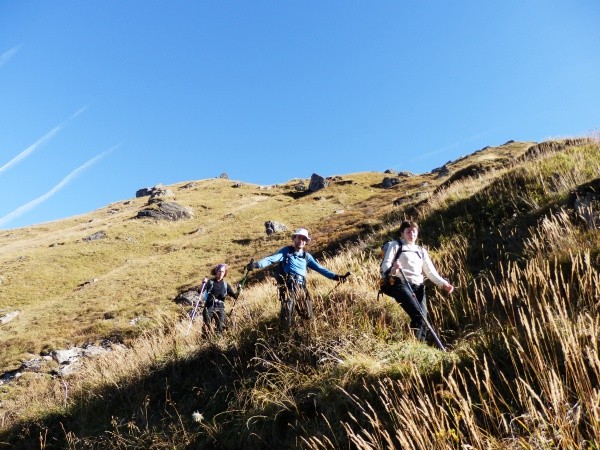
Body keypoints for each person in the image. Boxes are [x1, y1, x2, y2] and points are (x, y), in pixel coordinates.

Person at [247, 228, 349, 330]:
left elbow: (320, 268)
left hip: (301, 288)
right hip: (288, 287)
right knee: (286, 316)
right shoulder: (286, 251)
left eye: (304, 239)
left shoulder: (306, 256)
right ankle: (284, 336)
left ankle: (307, 334)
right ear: (294, 238)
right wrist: (256, 265)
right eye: (299, 238)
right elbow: (272, 259)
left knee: (308, 315)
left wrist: (336, 277)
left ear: (306, 241)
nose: (301, 241)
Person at [380, 220, 454, 342]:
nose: (412, 234)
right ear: (402, 233)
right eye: (408, 232)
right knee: (419, 316)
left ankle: (418, 344)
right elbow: (385, 265)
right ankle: (416, 344)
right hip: (400, 284)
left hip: (419, 287)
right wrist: (393, 269)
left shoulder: (421, 251)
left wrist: (443, 284)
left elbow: (430, 271)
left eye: (414, 231)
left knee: (422, 319)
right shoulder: (396, 245)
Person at [201, 263, 240, 334]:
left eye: (223, 271)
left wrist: (239, 290)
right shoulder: (210, 282)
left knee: (221, 326)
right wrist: (203, 283)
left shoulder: (226, 285)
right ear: (216, 271)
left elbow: (235, 296)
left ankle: (218, 338)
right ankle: (206, 339)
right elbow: (200, 291)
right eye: (219, 271)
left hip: (220, 307)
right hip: (209, 307)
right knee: (207, 327)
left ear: (225, 273)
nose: (221, 273)